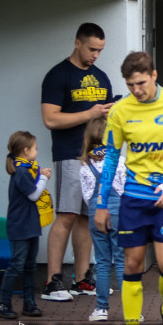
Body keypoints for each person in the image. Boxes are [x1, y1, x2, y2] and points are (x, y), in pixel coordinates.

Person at [95, 52, 163, 325]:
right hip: (134, 197)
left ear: (154, 75)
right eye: (130, 85)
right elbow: (111, 158)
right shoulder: (120, 111)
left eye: (141, 83)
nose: (136, 90)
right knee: (132, 264)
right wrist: (102, 203)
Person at [40, 22, 114, 302]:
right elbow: (50, 119)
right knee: (67, 215)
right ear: (77, 43)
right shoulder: (59, 75)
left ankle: (82, 279)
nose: (96, 55)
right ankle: (52, 281)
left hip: (97, 156)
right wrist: (89, 113)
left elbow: (102, 117)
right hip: (70, 154)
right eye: (92, 49)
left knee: (86, 217)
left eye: (100, 50)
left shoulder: (101, 77)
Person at [0, 131, 51, 320]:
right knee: (17, 265)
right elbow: (34, 195)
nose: (37, 151)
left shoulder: (26, 170)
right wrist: (43, 177)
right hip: (20, 226)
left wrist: (39, 175)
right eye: (35, 148)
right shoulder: (21, 172)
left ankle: (29, 303)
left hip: (30, 224)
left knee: (29, 266)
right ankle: (4, 303)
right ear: (26, 151)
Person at [79, 117, 126, 321]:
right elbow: (124, 189)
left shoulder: (84, 166)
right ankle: (131, 308)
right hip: (117, 214)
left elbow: (87, 196)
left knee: (103, 262)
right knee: (123, 260)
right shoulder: (120, 162)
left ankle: (101, 308)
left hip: (95, 215)